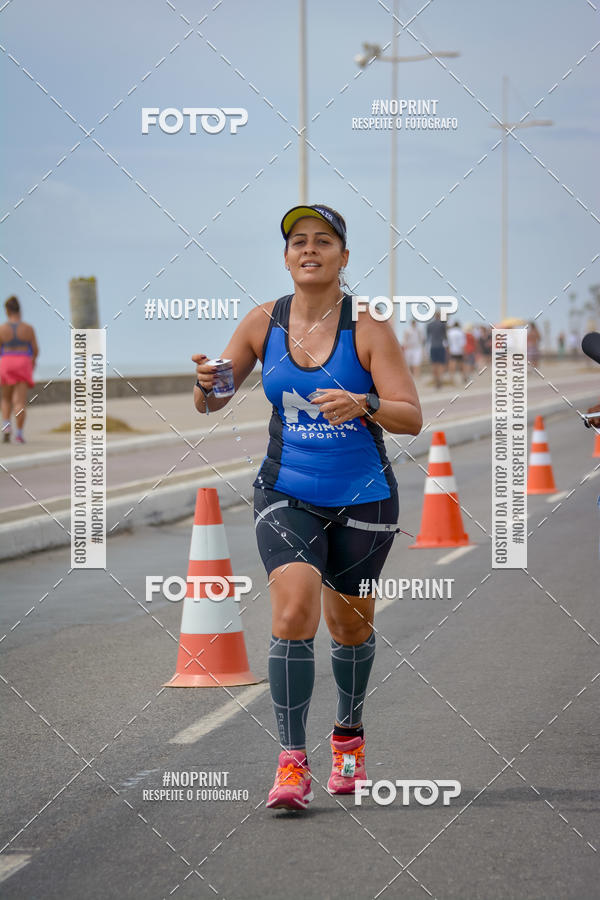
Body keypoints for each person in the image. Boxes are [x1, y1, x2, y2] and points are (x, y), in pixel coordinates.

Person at [193, 204, 422, 811]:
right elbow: (213, 400)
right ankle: (292, 763)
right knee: (294, 610)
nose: (310, 249)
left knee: (349, 626)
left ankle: (348, 737)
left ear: (343, 257)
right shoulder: (261, 322)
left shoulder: (368, 327)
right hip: (285, 491)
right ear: (286, 256)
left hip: (363, 496)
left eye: (323, 241)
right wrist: (205, 383)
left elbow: (411, 417)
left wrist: (365, 402)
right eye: (299, 241)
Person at [0, 296, 38, 444]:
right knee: (19, 402)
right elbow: (35, 350)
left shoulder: (2, 329)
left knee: (5, 398)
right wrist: (32, 363)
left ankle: (6, 427)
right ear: (19, 310)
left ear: (7, 310)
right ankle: (19, 434)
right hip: (23, 362)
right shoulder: (28, 329)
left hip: (7, 361)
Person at [426, 310, 447, 389]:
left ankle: (436, 380)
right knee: (441, 364)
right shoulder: (442, 324)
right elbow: (445, 336)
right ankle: (440, 380)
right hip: (440, 345)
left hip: (433, 346)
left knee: (434, 364)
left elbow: (428, 337)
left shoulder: (429, 325)